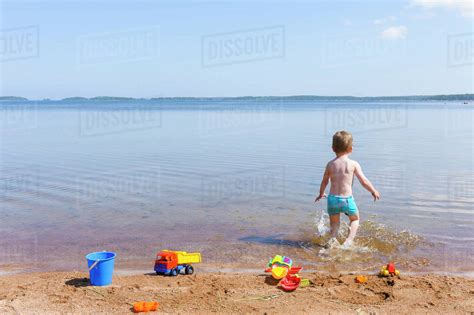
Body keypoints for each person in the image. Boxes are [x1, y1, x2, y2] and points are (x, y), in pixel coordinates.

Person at [315, 130, 380, 248]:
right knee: (355, 219)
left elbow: (325, 181)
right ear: (351, 149)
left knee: (334, 224)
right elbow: (363, 181)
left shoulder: (330, 164)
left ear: (333, 148)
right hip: (347, 199)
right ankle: (348, 241)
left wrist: (321, 193)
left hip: (332, 199)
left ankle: (332, 241)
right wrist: (373, 190)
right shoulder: (353, 164)